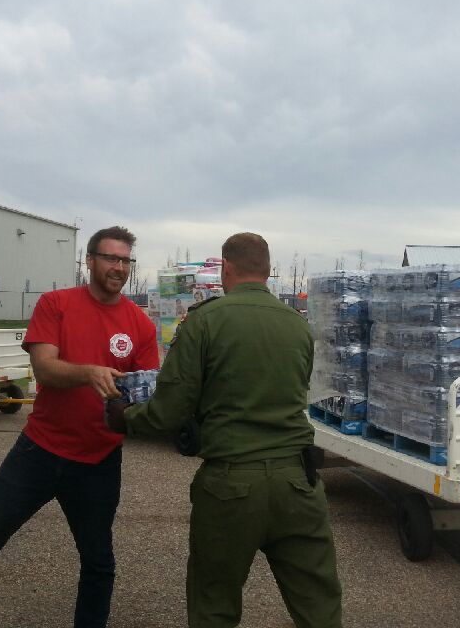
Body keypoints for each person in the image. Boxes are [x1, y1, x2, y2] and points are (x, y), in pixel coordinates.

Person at [0, 226, 159, 628]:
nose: (118, 267)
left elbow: (146, 389)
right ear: (90, 261)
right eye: (110, 258)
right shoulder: (56, 303)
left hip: (97, 461)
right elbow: (44, 367)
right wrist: (89, 373)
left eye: (125, 260)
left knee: (98, 562)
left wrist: (141, 410)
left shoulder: (140, 325)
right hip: (39, 452)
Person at [106, 232, 342, 628]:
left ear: (226, 268)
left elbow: (170, 409)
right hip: (298, 485)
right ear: (267, 271)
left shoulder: (206, 321)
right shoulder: (298, 326)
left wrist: (126, 417)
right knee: (319, 607)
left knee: (214, 604)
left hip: (231, 487)